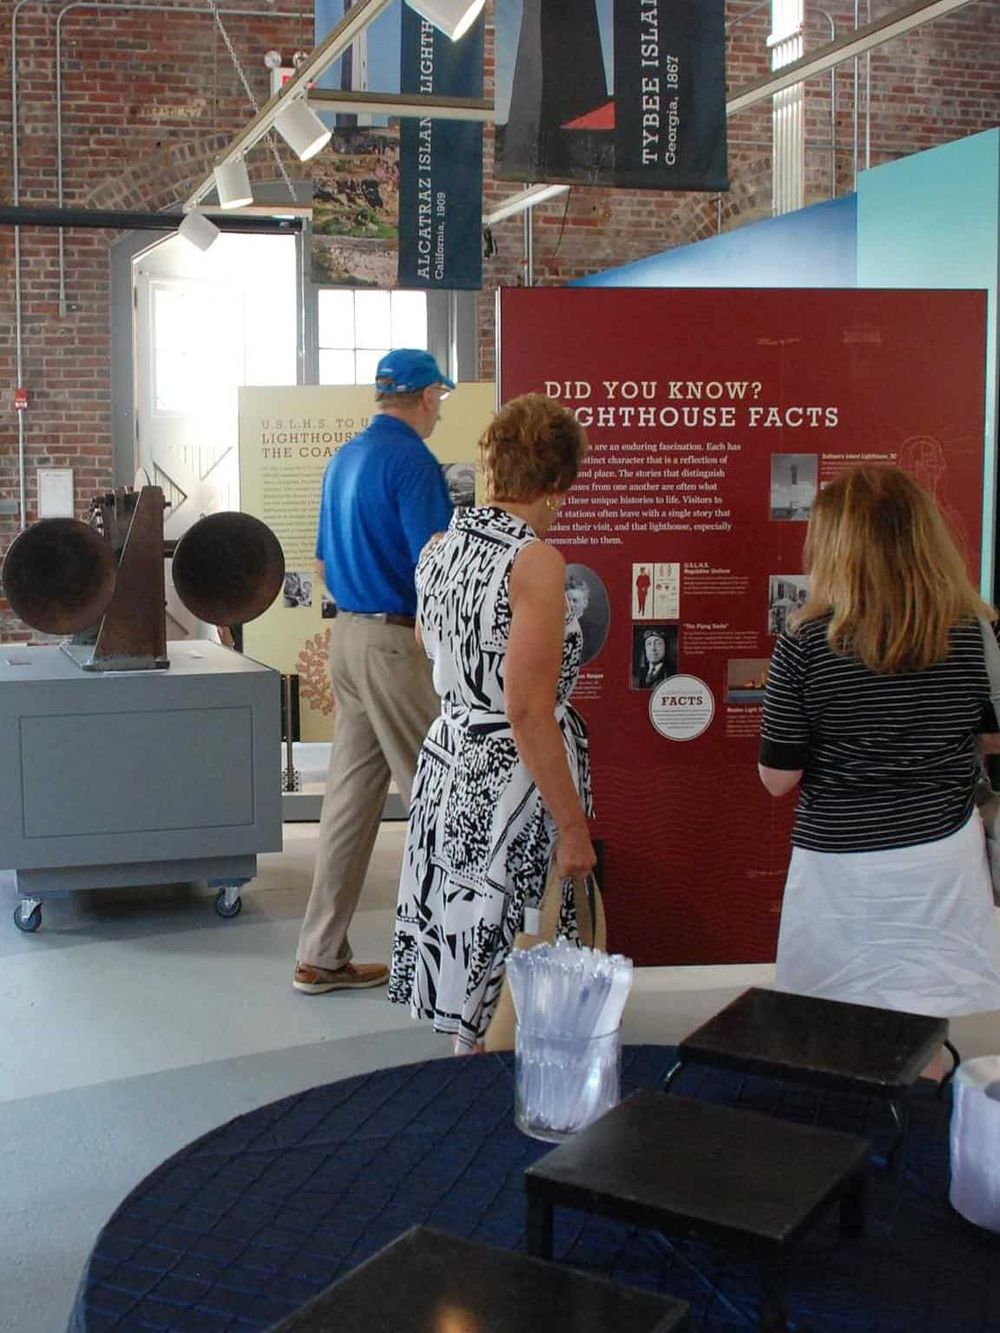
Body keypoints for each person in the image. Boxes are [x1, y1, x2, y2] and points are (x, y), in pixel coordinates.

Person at [388, 393, 596, 1052]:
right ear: (558, 479)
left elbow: (428, 641)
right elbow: (527, 710)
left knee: (469, 930)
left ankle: (469, 1064)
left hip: (451, 760)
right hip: (511, 776)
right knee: (517, 942)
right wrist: (573, 826)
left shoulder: (440, 547)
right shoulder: (534, 561)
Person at [759, 464, 1000, 1029]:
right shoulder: (976, 631)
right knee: (933, 1012)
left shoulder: (804, 641)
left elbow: (778, 778)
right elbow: (992, 736)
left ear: (834, 546)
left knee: (828, 1021)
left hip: (837, 862)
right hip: (941, 853)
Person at [293, 348, 455, 995]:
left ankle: (319, 954)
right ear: (425, 396)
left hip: (349, 639)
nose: (440, 410)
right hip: (394, 643)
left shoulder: (345, 458)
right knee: (439, 793)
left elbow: (323, 565)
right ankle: (456, 960)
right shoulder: (412, 461)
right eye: (439, 399)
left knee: (350, 802)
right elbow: (435, 566)